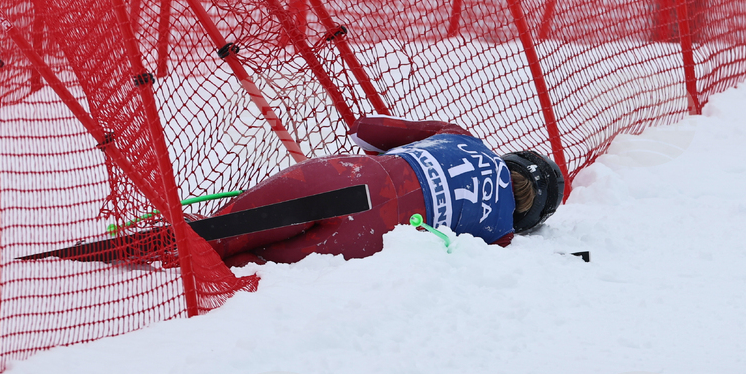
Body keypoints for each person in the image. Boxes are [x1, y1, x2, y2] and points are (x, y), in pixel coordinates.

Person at [204, 115, 565, 267]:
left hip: (347, 177)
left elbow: (367, 129)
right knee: (241, 266)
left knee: (211, 237)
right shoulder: (501, 234)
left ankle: (157, 243)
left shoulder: (464, 137)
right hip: (367, 235)